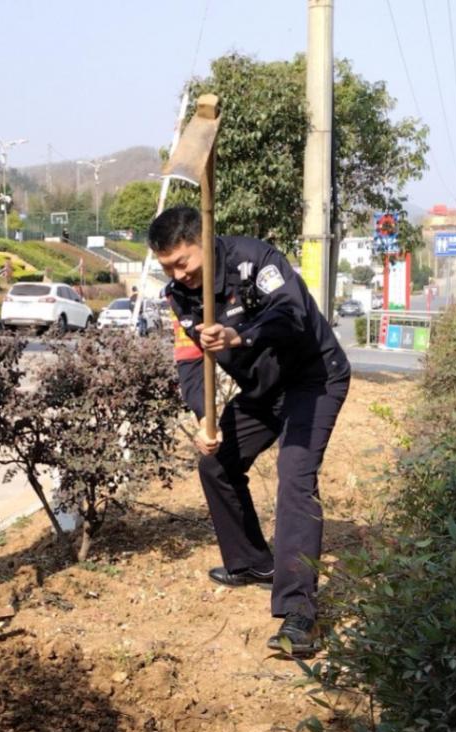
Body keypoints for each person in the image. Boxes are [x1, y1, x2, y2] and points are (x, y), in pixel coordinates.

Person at [149, 206, 350, 657]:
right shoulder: (179, 297)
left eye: (183, 262)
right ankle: (253, 563)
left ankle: (299, 612)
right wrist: (205, 418)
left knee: (294, 477)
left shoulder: (255, 261)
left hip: (314, 378)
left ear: (204, 241)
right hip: (265, 389)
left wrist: (240, 336)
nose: (178, 275)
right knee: (216, 463)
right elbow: (189, 364)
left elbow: (292, 313)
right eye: (167, 268)